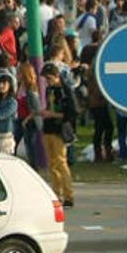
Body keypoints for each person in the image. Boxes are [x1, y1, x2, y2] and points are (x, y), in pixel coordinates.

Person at [40, 63, 79, 207]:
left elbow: (73, 112)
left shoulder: (65, 90)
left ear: (57, 76)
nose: (47, 81)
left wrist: (54, 114)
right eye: (46, 79)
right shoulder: (49, 89)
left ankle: (69, 195)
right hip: (48, 128)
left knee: (61, 162)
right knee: (52, 164)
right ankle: (57, 193)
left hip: (59, 129)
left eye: (49, 78)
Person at [0, 75, 18, 155]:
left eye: (4, 83)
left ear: (10, 85)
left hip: (5, 137)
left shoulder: (12, 102)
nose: (1, 86)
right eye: (0, 83)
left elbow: (0, 116)